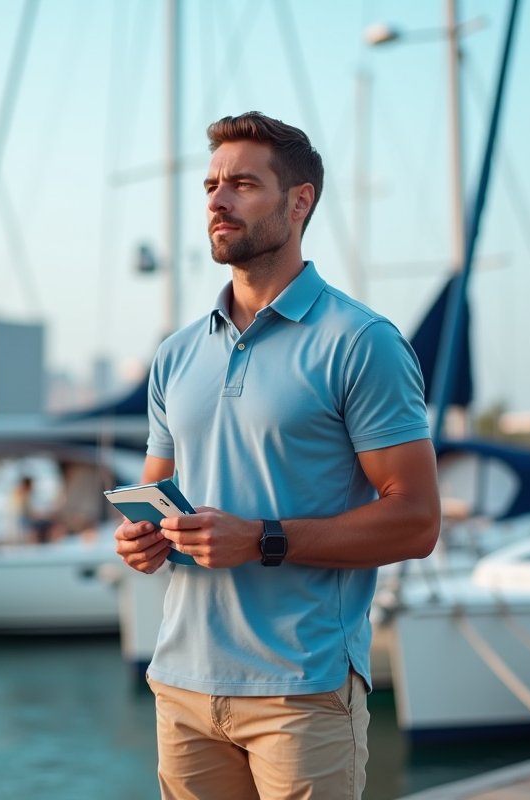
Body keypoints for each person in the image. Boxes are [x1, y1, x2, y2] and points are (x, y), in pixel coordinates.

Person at [114, 111, 441, 800]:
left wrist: (262, 538)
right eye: (211, 185)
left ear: (299, 202)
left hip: (301, 689)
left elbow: (416, 522)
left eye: (242, 184)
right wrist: (142, 542)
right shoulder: (175, 355)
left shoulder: (362, 343)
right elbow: (157, 496)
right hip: (181, 685)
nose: (217, 200)